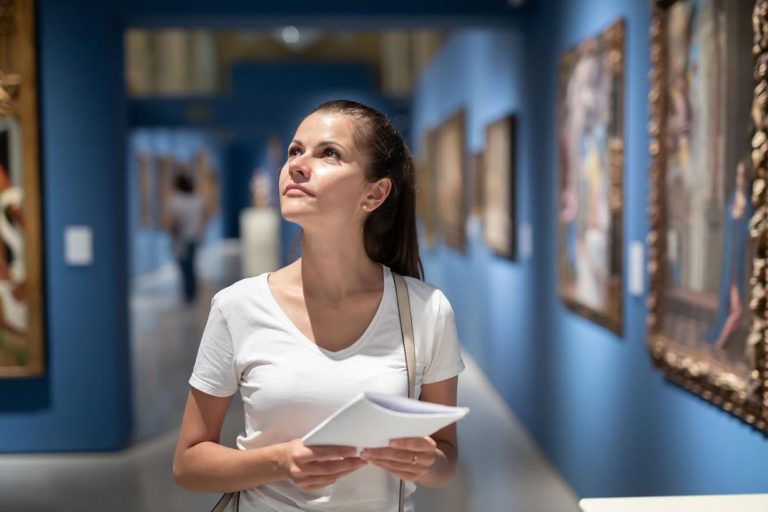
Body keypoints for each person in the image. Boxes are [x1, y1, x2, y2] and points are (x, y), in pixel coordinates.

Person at [173, 100, 465, 511]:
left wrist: (423, 461)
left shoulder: (426, 310)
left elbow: (446, 459)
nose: (298, 164)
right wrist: (280, 461)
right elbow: (188, 463)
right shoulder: (237, 307)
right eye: (295, 151)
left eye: (329, 153)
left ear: (375, 193)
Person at [166, 169, 206, 304]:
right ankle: (191, 294)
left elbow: (174, 222)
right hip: (194, 237)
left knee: (184, 268)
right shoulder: (197, 200)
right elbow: (203, 218)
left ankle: (188, 295)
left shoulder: (176, 201)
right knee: (191, 266)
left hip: (181, 239)